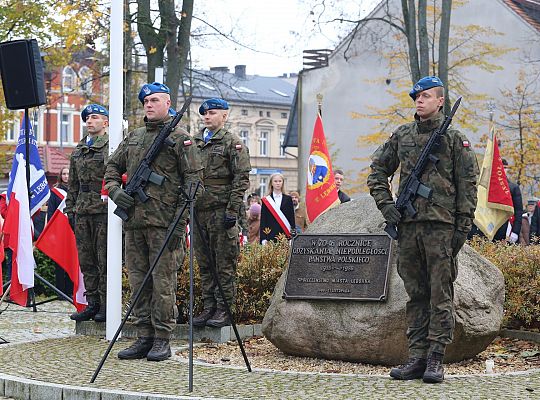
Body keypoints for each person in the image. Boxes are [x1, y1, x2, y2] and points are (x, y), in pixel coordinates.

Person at [367, 76, 479, 384]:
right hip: (408, 228)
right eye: (417, 95)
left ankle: (435, 359)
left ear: (440, 101)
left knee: (440, 294)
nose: (419, 100)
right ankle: (416, 357)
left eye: (426, 96)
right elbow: (377, 170)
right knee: (415, 294)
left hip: (441, 229)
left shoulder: (455, 139)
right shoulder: (403, 135)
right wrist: (386, 206)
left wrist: (463, 228)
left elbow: (468, 187)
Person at [105, 82, 203, 361]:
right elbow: (112, 168)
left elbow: (194, 184)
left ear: (168, 103)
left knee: (162, 284)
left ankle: (162, 339)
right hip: (134, 223)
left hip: (165, 225)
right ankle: (143, 336)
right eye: (146, 100)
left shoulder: (180, 138)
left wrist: (180, 223)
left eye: (155, 100)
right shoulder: (134, 138)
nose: (149, 104)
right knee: (138, 282)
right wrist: (116, 192)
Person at [192, 97, 251, 328]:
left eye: (212, 113)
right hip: (199, 212)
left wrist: (232, 210)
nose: (207, 117)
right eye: (204, 114)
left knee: (223, 264)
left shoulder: (232, 142)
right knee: (205, 263)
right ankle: (209, 307)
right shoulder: (195, 142)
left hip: (220, 211)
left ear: (224, 116)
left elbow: (241, 178)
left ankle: (223, 309)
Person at [65, 104, 110, 323]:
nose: (89, 121)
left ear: (106, 122)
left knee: (104, 259)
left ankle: (106, 304)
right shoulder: (79, 149)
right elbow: (73, 184)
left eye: (94, 117)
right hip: (82, 210)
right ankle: (92, 303)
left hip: (103, 210)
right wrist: (69, 209)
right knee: (87, 260)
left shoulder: (111, 147)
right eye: (87, 118)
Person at [47, 166, 73, 295]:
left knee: (71, 259)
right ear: (60, 176)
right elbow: (51, 212)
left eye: (68, 174)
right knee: (59, 261)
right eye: (64, 174)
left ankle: (70, 290)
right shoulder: (55, 192)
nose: (66, 176)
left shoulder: (75, 190)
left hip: (73, 229)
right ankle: (59, 291)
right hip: (59, 230)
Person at [492, 160, 522, 243]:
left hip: (508, 229)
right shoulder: (490, 188)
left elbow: (518, 211)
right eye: (501, 167)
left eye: (505, 168)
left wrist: (515, 231)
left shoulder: (513, 187)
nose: (503, 170)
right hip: (492, 227)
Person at [260, 173, 296, 244]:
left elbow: (291, 218)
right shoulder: (266, 200)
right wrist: (263, 238)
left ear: (282, 183)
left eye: (280, 181)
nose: (278, 183)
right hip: (270, 235)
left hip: (285, 234)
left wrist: (292, 236)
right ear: (271, 183)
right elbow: (263, 220)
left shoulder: (288, 199)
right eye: (275, 181)